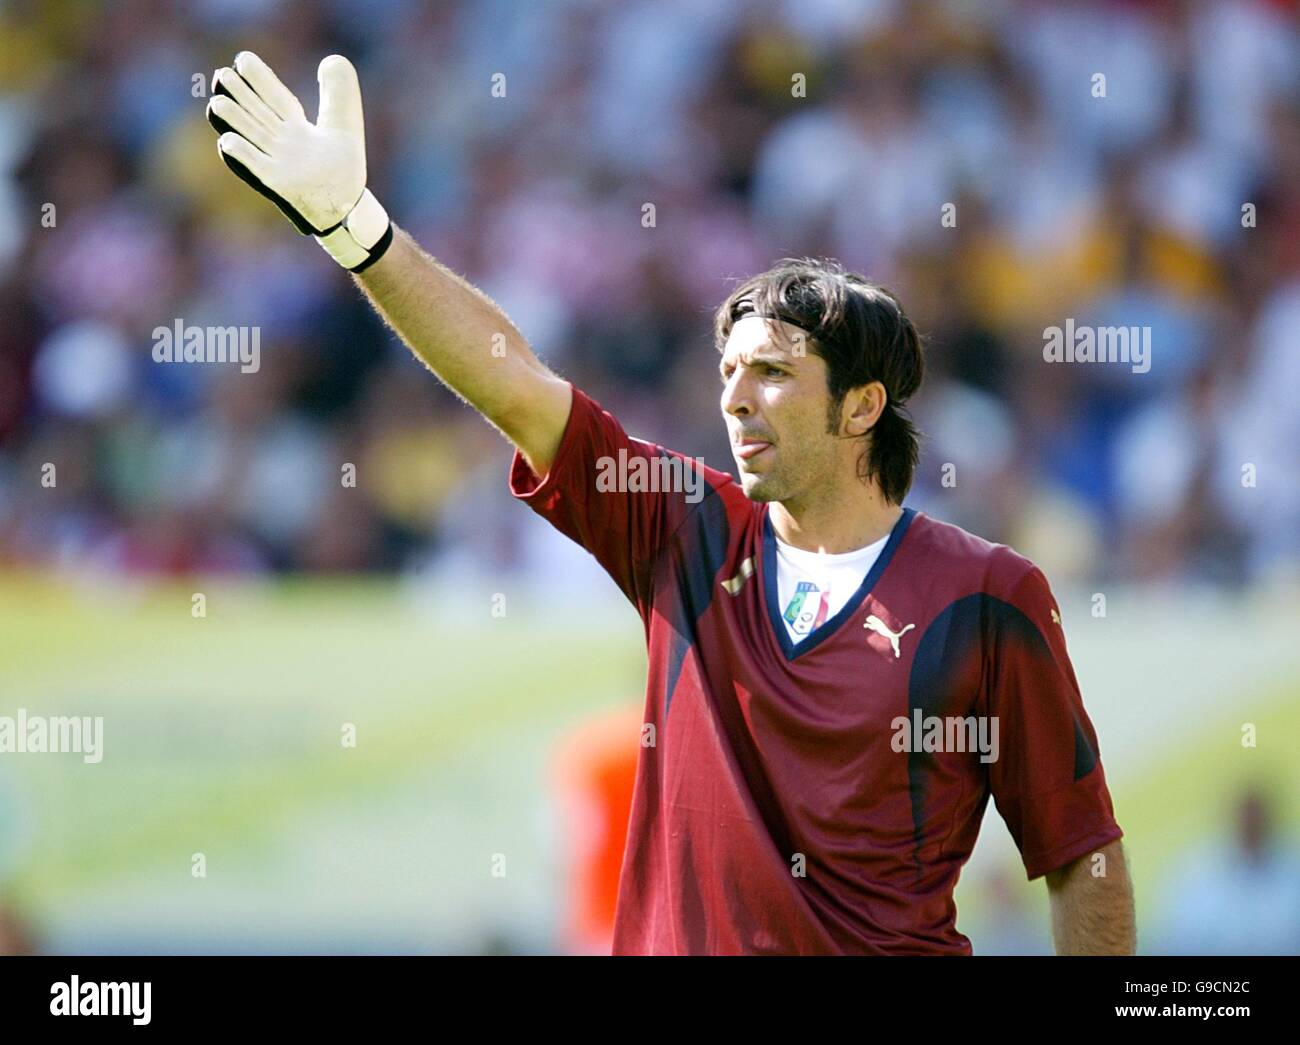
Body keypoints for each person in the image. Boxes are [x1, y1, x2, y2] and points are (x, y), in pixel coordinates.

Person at [206, 51, 1135, 955]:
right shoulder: (681, 526)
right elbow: (517, 387)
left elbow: (1081, 855)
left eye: (773, 372)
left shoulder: (989, 594)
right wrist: (354, 230)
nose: (735, 396)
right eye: (729, 370)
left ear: (862, 405)